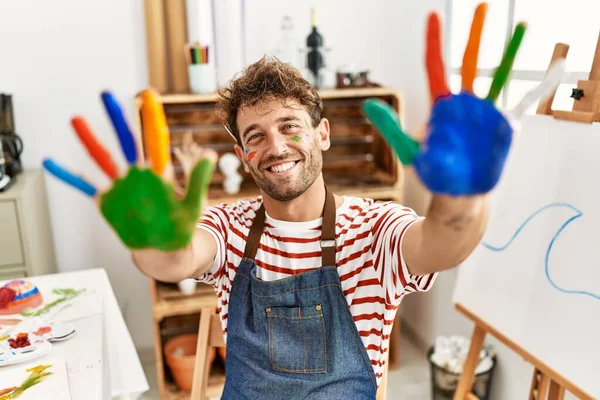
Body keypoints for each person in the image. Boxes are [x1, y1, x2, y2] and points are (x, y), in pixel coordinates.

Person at [43, 8, 552, 399]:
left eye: (290, 126)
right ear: (243, 155)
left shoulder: (374, 228)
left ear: (322, 134)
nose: (276, 147)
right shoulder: (228, 226)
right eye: (255, 136)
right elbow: (176, 258)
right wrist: (151, 237)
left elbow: (443, 242)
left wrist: (462, 197)